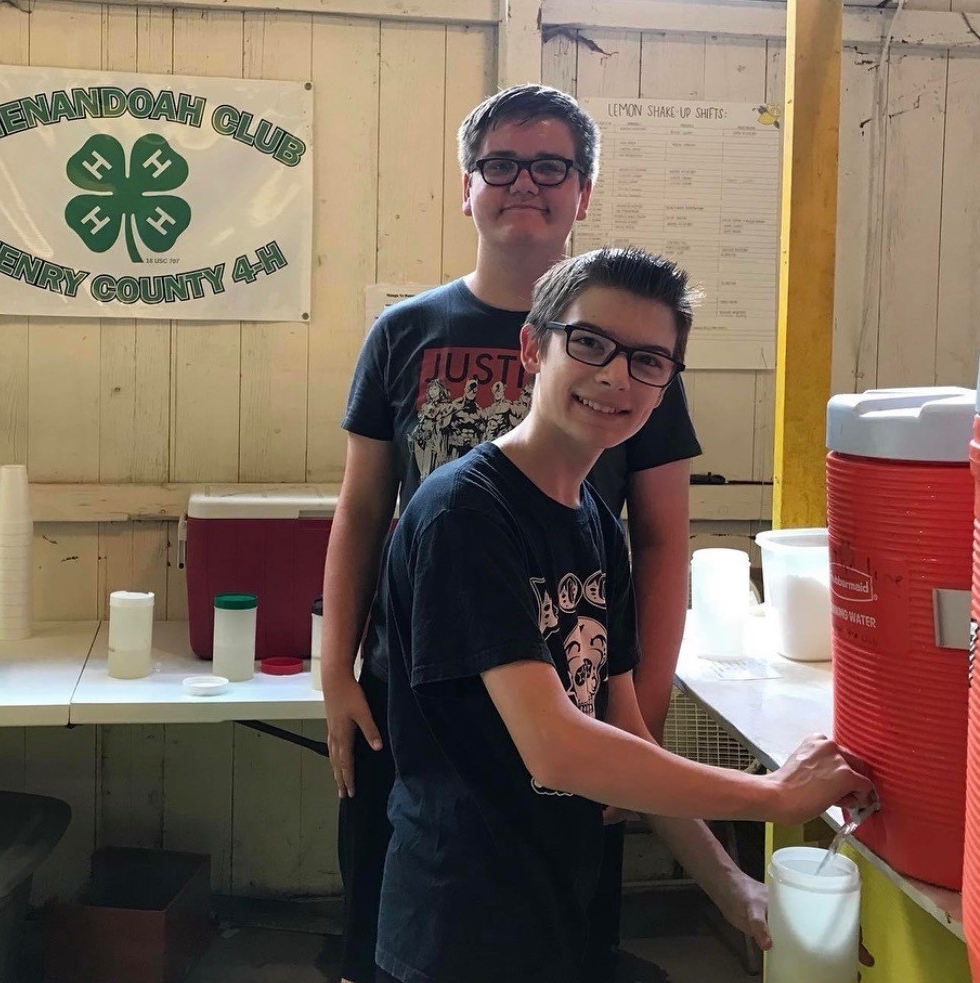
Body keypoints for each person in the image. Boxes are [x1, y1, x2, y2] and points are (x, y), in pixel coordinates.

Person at [374, 247, 873, 983]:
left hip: (559, 901)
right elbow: (557, 748)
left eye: (648, 360)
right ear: (531, 346)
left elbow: (622, 732)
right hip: (458, 920)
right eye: (589, 343)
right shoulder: (465, 514)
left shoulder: (594, 521)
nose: (616, 376)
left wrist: (735, 889)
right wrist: (772, 797)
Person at [323, 84, 701, 983]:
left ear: (583, 192)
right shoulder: (404, 331)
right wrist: (333, 668)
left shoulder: (635, 346)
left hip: (574, 692)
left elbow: (659, 539)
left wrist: (636, 711)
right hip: (418, 697)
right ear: (468, 187)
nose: (522, 183)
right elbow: (362, 510)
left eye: (550, 166)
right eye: (500, 164)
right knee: (405, 929)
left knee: (558, 935)